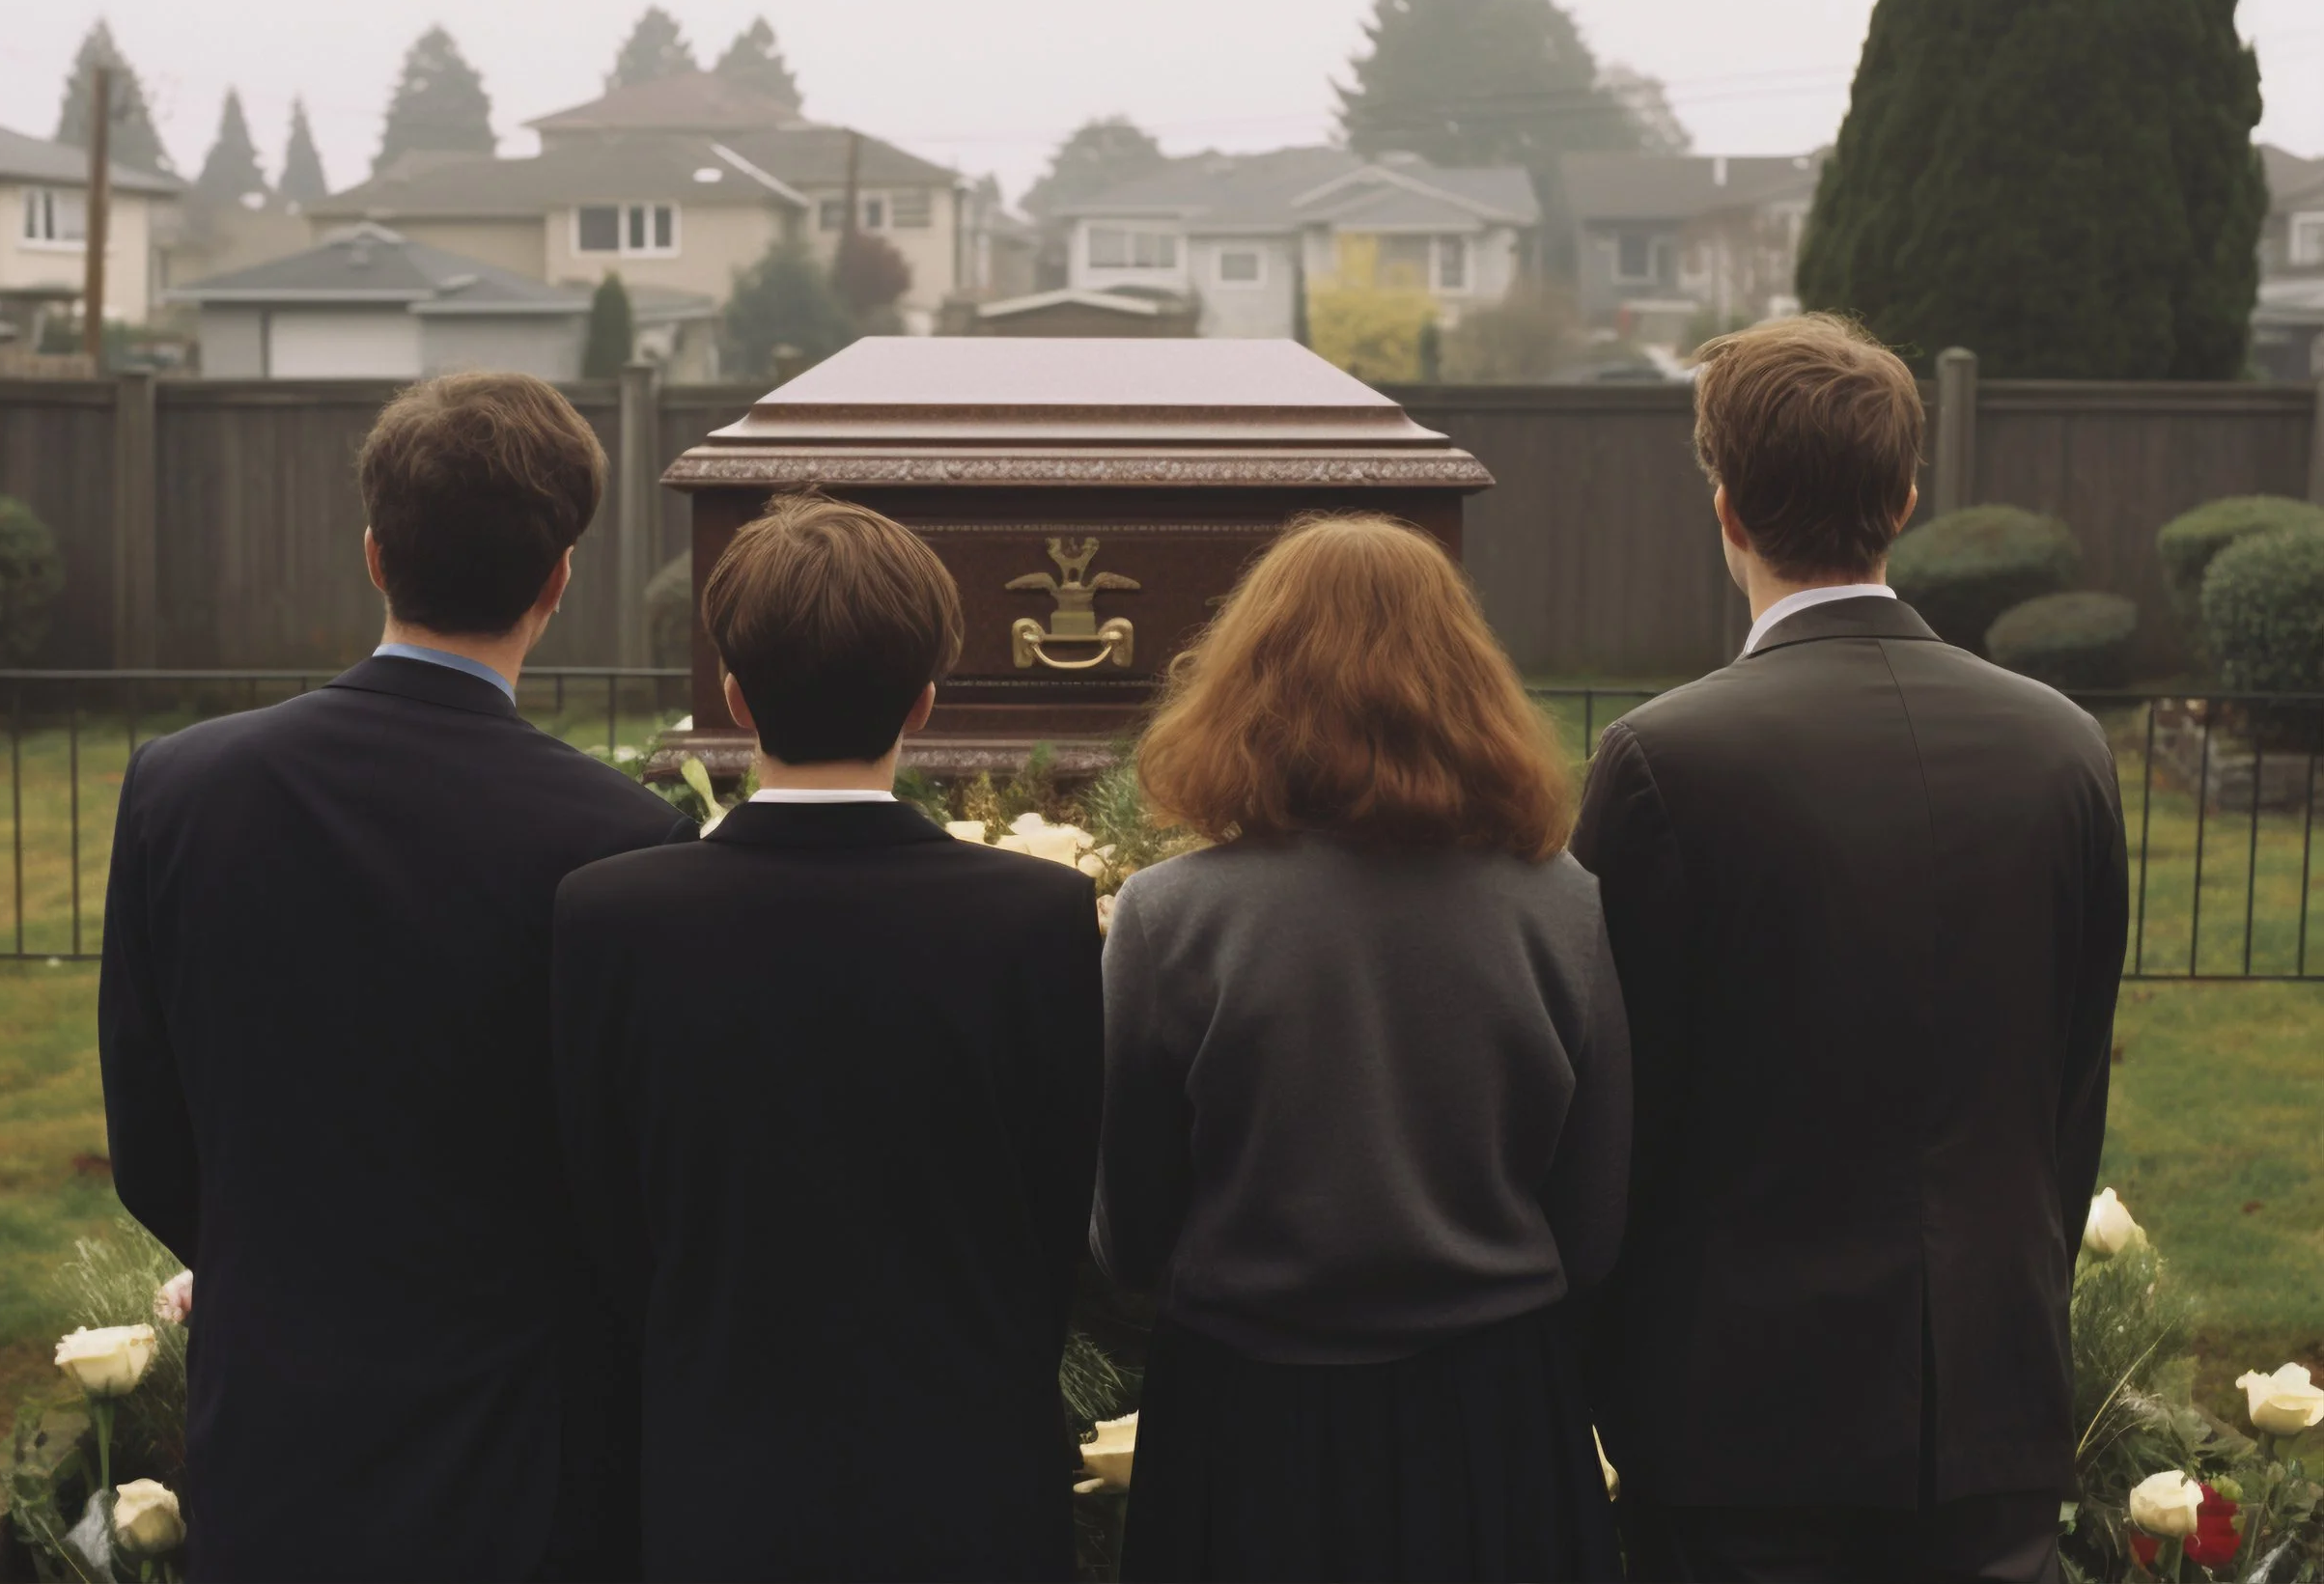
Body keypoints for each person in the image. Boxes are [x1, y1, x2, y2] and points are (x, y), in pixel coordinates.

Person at [97, 373, 694, 1580]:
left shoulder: (181, 787)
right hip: (528, 1446)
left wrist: (277, 1268)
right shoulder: (623, 838)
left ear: (375, 554)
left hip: (276, 1425)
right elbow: (638, 1175)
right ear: (559, 579)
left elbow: (148, 1129)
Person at [1573, 315, 2128, 1584]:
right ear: (1907, 499)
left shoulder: (1664, 763)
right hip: (1995, 1402)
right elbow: (2068, 1095)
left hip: (1735, 1426)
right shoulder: (2061, 748)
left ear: (1724, 506)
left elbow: (1612, 1114)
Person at [551, 493, 1104, 1582]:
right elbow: (1055, 1213)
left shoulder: (611, 916)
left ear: (735, 696)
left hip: (719, 1468)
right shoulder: (1034, 919)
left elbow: (607, 1214)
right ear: (926, 703)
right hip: (972, 1468)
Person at [1094, 514, 1630, 1583]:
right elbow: (1595, 1225)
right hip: (1497, 1421)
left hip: (1243, 1419)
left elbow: (1130, 1229)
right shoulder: (1563, 909)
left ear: (1248, 684)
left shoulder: (1169, 916)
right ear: (1466, 681)